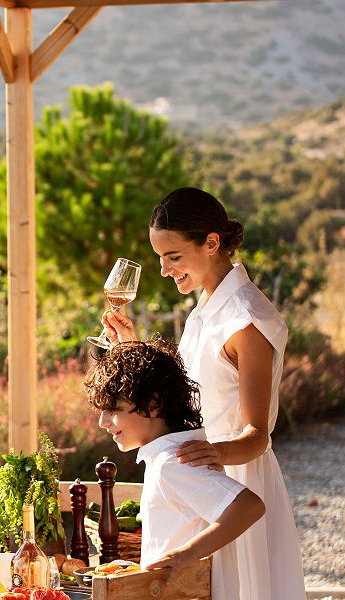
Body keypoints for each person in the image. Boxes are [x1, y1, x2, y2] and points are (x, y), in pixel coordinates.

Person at [103, 187, 306, 600]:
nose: (163, 270)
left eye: (173, 257)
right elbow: (188, 393)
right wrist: (130, 347)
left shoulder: (245, 320)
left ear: (212, 243)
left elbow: (256, 435)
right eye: (160, 258)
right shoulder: (206, 308)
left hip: (235, 484)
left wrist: (216, 454)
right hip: (199, 479)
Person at [84, 339, 266, 600]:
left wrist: (188, 554)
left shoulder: (172, 463)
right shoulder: (165, 458)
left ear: (153, 404)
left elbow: (249, 506)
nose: (102, 422)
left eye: (112, 410)